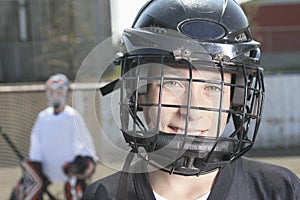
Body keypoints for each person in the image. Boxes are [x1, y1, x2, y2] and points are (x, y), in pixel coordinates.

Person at [82, 0, 300, 199]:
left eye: (213, 87)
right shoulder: (103, 196)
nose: (192, 111)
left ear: (236, 98)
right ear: (139, 92)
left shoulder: (280, 191)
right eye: (173, 84)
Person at [28, 73, 97, 199]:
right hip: (46, 171)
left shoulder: (72, 116)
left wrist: (81, 164)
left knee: (75, 187)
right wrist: (34, 167)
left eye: (59, 91)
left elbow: (86, 149)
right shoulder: (42, 117)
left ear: (66, 92)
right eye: (52, 91)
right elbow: (35, 149)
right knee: (26, 185)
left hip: (70, 171)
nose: (55, 95)